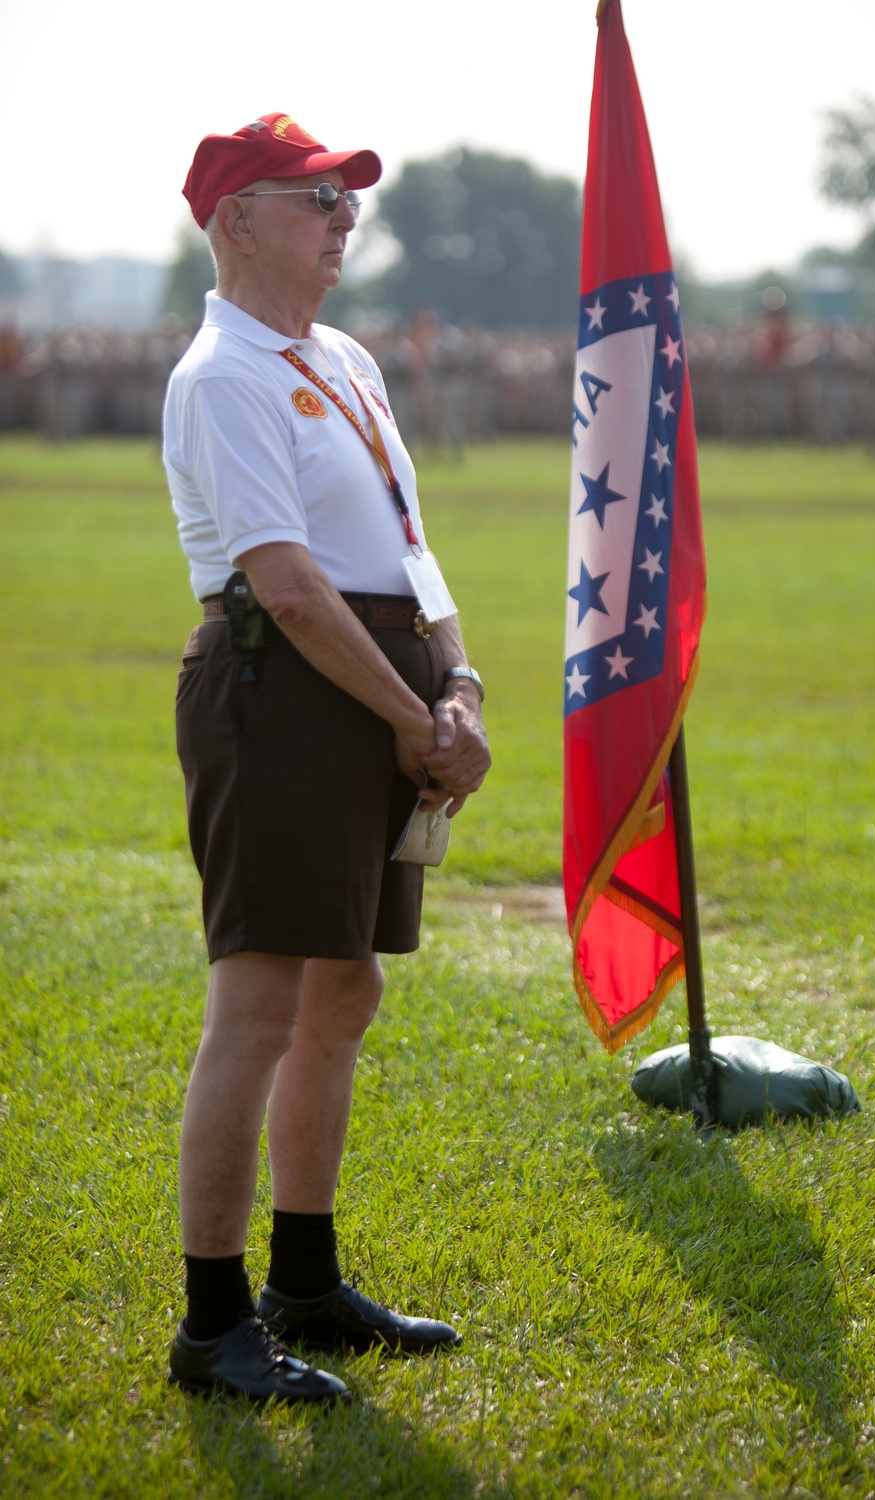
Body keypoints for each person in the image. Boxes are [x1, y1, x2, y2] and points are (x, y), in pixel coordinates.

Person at [162, 113, 491, 1403]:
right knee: (258, 1007)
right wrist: (417, 722)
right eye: (316, 198)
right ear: (236, 219)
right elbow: (291, 586)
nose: (343, 218)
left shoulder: (343, 355)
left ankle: (305, 1278)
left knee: (343, 991)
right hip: (283, 692)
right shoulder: (223, 375)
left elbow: (407, 542)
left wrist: (454, 679)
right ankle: (211, 1325)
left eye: (347, 200)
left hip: (380, 685)